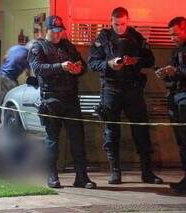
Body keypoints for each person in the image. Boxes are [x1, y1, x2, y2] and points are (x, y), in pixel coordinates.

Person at [88, 7, 163, 185]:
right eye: (116, 24)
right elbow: (92, 63)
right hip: (111, 89)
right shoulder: (103, 38)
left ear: (127, 21)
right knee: (111, 131)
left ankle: (147, 172)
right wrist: (109, 64)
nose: (119, 27)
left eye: (122, 24)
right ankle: (115, 172)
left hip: (133, 89)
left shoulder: (136, 37)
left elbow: (150, 60)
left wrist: (135, 61)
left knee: (141, 130)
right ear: (110, 21)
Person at [28, 15, 96, 189]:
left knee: (77, 139)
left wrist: (78, 68)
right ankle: (52, 176)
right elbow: (38, 69)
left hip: (70, 98)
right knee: (52, 140)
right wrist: (61, 66)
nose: (59, 34)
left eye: (61, 31)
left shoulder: (68, 46)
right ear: (47, 30)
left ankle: (82, 177)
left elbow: (83, 65)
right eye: (55, 31)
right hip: (51, 98)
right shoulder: (38, 46)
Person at [155, 16, 186, 193]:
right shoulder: (177, 50)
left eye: (175, 34)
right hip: (176, 98)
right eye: (170, 35)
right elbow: (174, 70)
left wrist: (178, 71)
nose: (172, 38)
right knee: (182, 142)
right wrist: (166, 72)